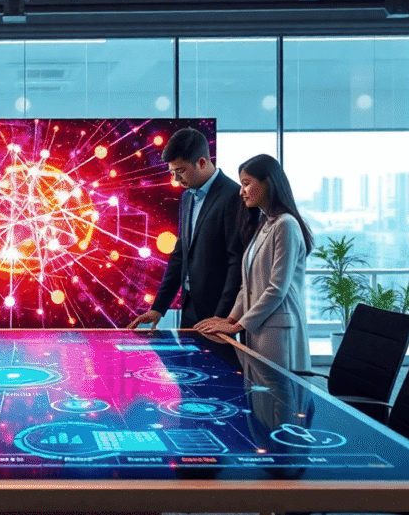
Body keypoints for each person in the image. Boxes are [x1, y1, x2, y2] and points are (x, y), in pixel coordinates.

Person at [196, 153, 314, 372]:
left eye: (247, 184)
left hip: (278, 333)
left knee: (281, 400)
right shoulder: (264, 223)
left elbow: (277, 289)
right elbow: (246, 285)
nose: (241, 192)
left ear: (268, 183)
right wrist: (230, 320)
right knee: (261, 400)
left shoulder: (286, 224)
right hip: (257, 329)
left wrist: (238, 325)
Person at [129, 127, 252, 332]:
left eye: (181, 171)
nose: (176, 180)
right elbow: (180, 256)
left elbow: (236, 261)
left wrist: (223, 317)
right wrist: (159, 308)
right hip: (189, 309)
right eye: (172, 173)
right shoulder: (187, 198)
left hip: (218, 314)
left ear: (202, 162)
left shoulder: (233, 196)